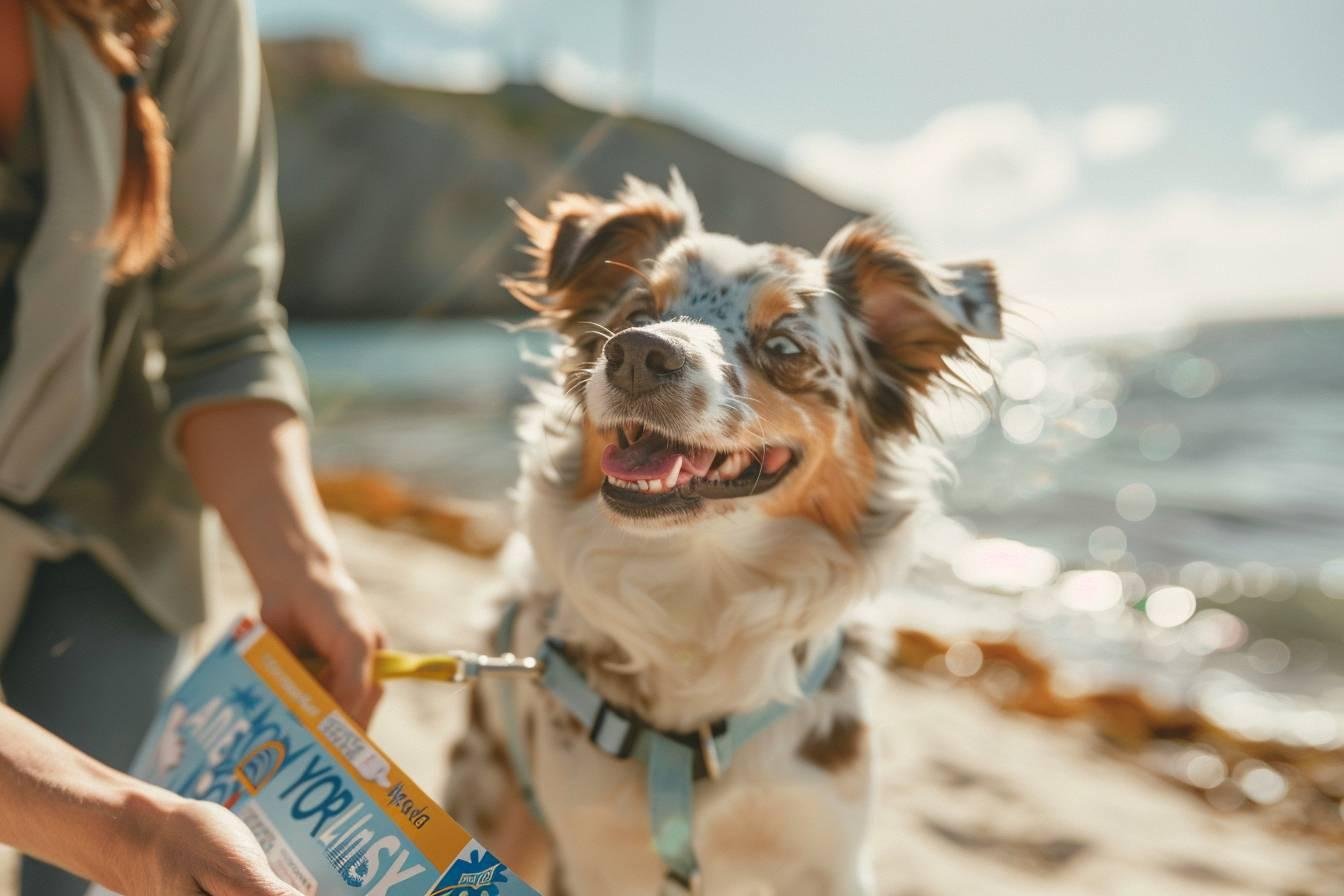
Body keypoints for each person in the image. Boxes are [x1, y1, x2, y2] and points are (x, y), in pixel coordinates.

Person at [0, 0, 386, 893]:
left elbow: (221, 330)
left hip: (119, 516)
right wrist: (126, 830)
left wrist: (305, 565)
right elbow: (126, 831)